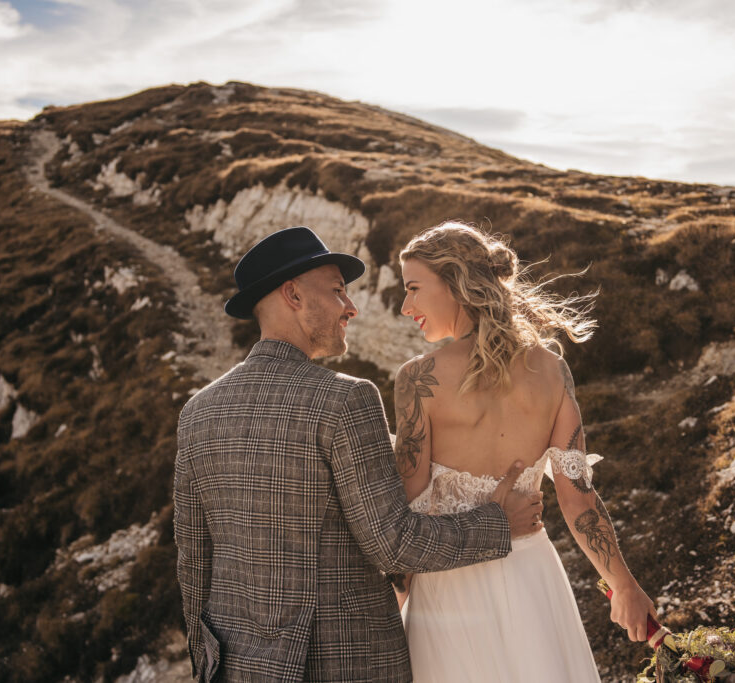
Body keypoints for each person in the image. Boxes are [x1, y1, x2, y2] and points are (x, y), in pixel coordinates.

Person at [173, 226, 543, 683]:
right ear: (293, 295)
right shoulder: (346, 400)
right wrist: (498, 523)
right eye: (337, 291)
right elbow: (394, 543)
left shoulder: (197, 411)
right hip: (348, 665)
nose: (350, 307)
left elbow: (194, 562)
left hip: (239, 669)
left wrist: (205, 666)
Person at [392, 222, 656, 682]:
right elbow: (579, 500)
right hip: (532, 577)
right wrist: (625, 585)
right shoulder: (553, 371)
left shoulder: (419, 380)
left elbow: (406, 510)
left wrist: (392, 607)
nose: (405, 306)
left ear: (455, 282)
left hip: (448, 590)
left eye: (413, 288)